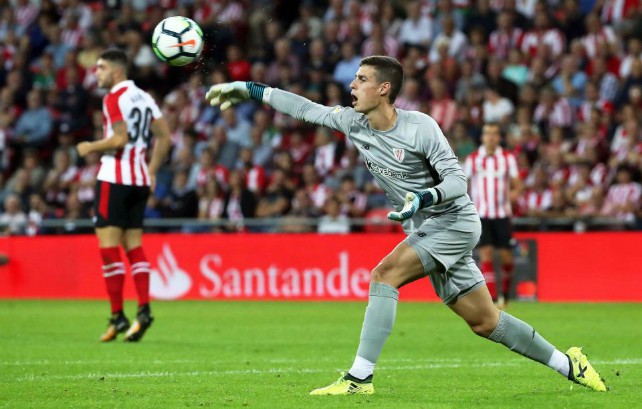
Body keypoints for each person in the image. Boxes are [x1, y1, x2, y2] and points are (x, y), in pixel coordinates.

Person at [205, 56, 607, 395]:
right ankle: (567, 363)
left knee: (384, 274)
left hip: (453, 220)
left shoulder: (420, 127)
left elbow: (456, 181)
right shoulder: (354, 123)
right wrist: (250, 88)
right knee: (485, 322)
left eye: (361, 79)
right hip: (425, 228)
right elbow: (306, 108)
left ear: (383, 89)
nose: (352, 85)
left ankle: (359, 378)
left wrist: (423, 198)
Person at [76, 49, 171, 342]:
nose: (97, 72)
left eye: (101, 68)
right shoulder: (144, 97)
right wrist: (152, 170)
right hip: (139, 179)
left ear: (117, 71)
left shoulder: (114, 97)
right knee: (134, 246)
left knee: (108, 249)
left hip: (114, 177)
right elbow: (165, 136)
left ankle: (118, 316)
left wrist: (89, 147)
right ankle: (143, 311)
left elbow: (120, 139)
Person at [464, 123, 522, 308]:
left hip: (502, 214)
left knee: (506, 257)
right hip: (481, 214)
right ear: (482, 137)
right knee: (486, 253)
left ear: (498, 138)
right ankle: (494, 298)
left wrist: (514, 194)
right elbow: (463, 183)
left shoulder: (507, 158)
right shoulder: (472, 159)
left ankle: (505, 292)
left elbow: (517, 183)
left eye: (494, 134)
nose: (490, 137)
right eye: (487, 133)